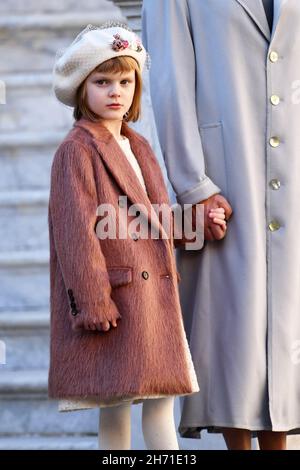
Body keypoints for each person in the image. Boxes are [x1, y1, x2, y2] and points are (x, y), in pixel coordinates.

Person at [48, 23, 225, 450]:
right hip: (117, 298)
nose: (116, 91)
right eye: (102, 81)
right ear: (80, 90)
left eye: (125, 81)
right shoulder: (76, 150)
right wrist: (91, 301)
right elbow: (75, 234)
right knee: (116, 404)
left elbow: (152, 218)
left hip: (150, 299)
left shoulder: (138, 144)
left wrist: (196, 225)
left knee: (161, 399)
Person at [142, 0, 300, 450]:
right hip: (227, 176)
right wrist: (194, 184)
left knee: (288, 329)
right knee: (236, 331)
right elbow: (169, 78)